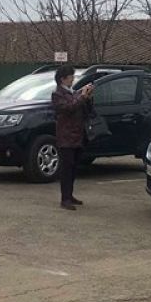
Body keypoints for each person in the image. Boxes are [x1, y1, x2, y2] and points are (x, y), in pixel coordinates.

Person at [51, 64, 95, 211]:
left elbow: (85, 110)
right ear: (62, 79)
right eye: (70, 77)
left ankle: (70, 195)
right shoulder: (57, 94)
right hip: (66, 137)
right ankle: (65, 198)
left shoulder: (73, 92)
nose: (72, 79)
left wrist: (88, 97)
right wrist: (82, 96)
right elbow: (69, 107)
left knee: (74, 167)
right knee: (66, 168)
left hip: (77, 135)